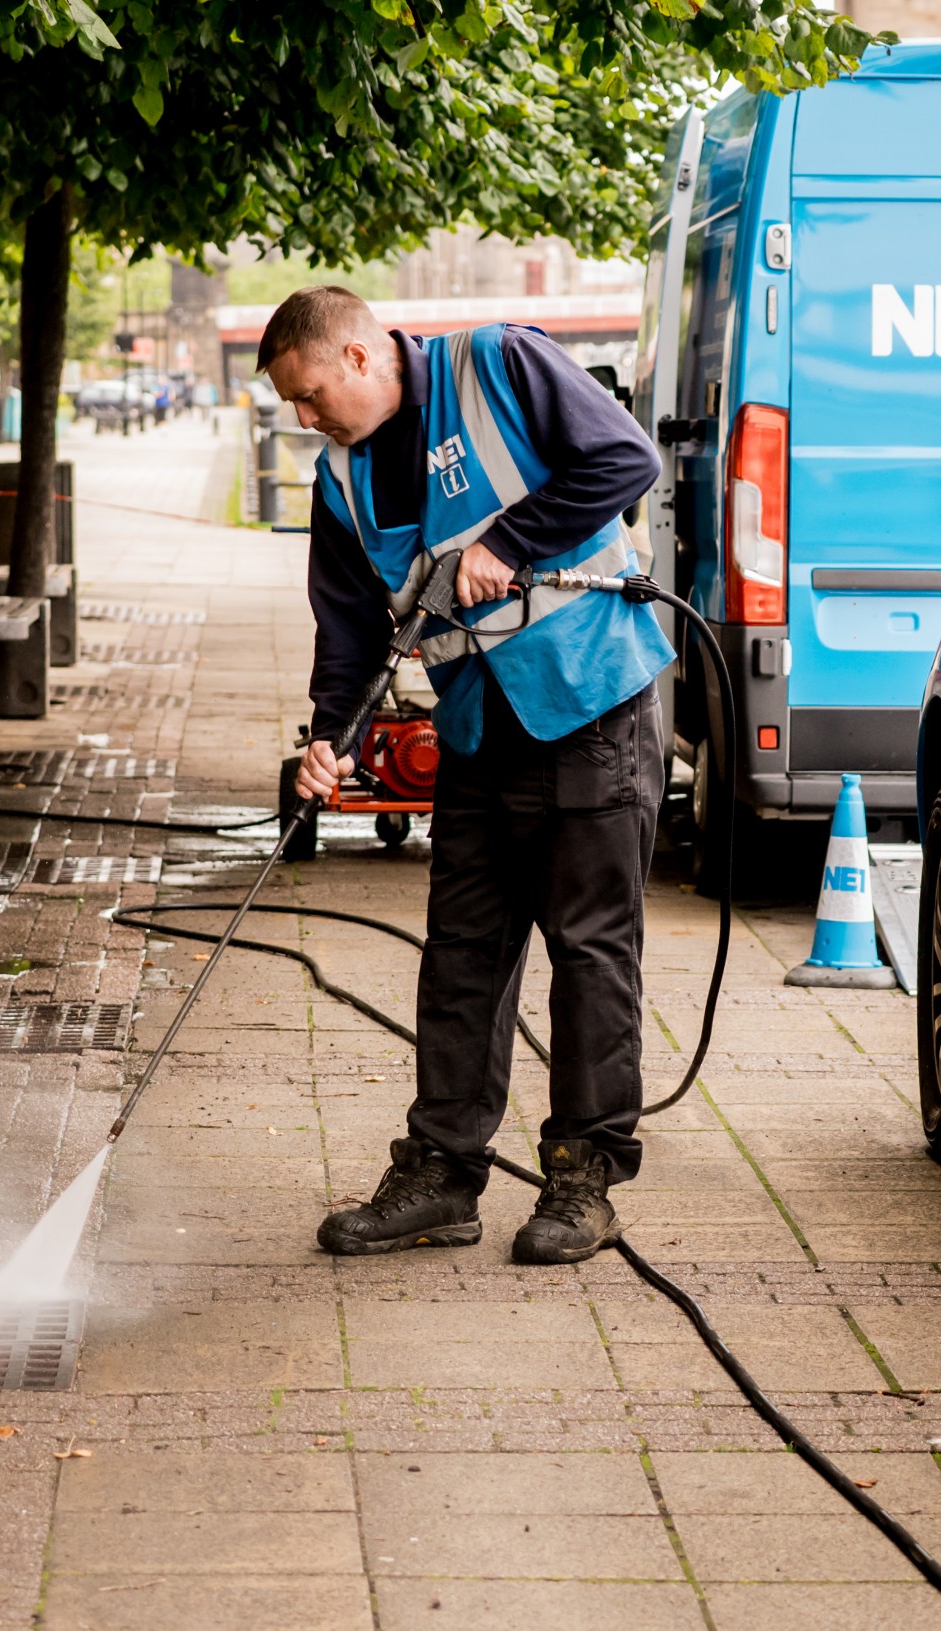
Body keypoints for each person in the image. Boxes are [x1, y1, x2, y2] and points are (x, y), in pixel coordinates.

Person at [262, 285, 668, 1265]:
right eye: (294, 409)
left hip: (591, 699)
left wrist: (509, 545)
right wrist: (332, 739)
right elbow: (354, 627)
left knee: (588, 950)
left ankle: (583, 1178)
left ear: (358, 356)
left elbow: (627, 458)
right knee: (461, 953)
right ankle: (442, 1173)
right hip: (481, 723)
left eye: (311, 395)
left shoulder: (498, 365)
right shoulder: (341, 481)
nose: (307, 420)